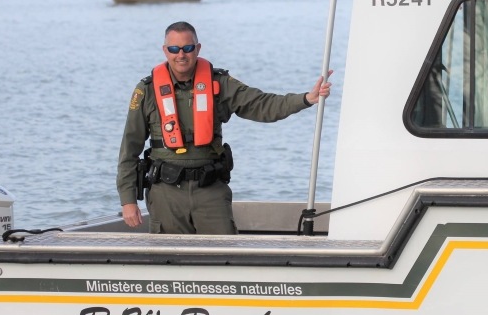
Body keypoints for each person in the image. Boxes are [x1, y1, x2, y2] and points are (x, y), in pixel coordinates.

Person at [117, 21, 332, 235]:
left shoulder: (219, 83)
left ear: (198, 48)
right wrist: (128, 200)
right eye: (174, 49)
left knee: (224, 256)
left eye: (188, 48)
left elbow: (262, 105)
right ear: (165, 51)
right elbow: (130, 147)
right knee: (170, 262)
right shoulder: (147, 90)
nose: (181, 54)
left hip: (210, 191)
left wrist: (306, 99)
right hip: (166, 194)